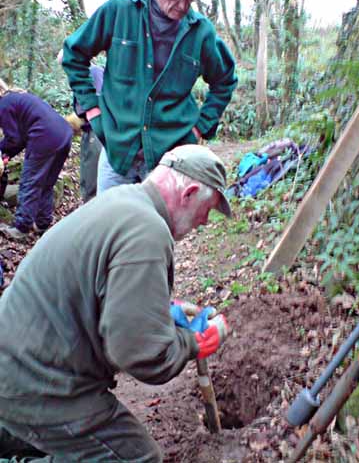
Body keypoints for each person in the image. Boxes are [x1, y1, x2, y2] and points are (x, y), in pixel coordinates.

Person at [0, 144, 230, 462]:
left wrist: (154, 310)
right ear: (189, 193)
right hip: (37, 382)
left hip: (17, 362)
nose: (204, 222)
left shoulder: (123, 202)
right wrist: (193, 343)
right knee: (138, 459)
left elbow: (97, 291)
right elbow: (140, 355)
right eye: (208, 210)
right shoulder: (147, 231)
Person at [61, 0, 238, 194]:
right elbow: (74, 53)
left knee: (159, 229)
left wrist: (200, 127)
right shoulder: (119, 12)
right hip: (117, 152)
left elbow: (225, 80)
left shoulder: (201, 32)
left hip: (169, 159)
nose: (183, 4)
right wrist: (91, 109)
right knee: (111, 226)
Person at [0, 79, 72, 239]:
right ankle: (42, 223)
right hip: (64, 134)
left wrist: (1, 149)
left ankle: (21, 227)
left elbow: (14, 139)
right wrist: (6, 154)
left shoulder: (3, 105)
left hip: (45, 136)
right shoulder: (16, 98)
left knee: (30, 182)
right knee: (46, 183)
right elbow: (20, 138)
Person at [59, 49, 104, 202]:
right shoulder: (84, 77)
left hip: (97, 131)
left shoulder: (93, 73)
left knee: (92, 174)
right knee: (87, 171)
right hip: (91, 130)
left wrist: (78, 119)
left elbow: (97, 105)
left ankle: (92, 209)